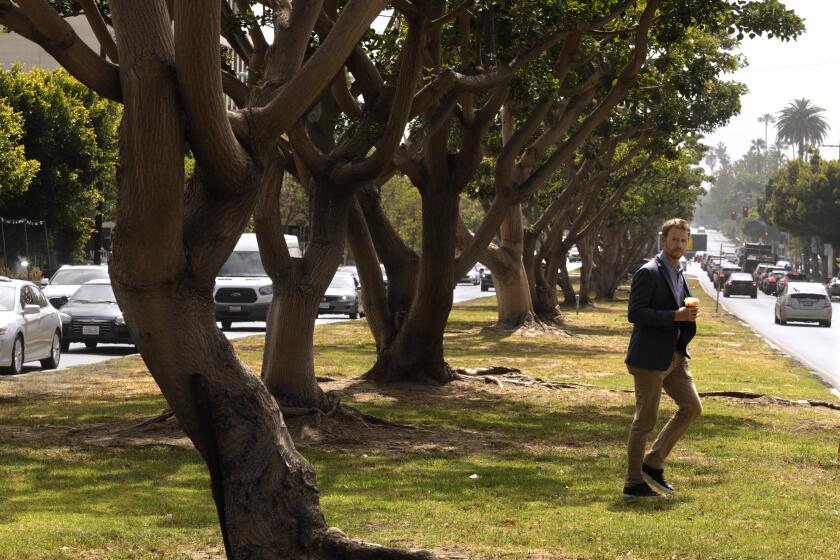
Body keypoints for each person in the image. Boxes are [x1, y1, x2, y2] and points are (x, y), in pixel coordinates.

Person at [622, 218, 703, 499]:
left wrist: (686, 316)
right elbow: (636, 313)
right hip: (648, 358)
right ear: (663, 240)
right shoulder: (648, 272)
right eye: (674, 240)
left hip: (675, 357)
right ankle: (633, 483)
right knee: (645, 421)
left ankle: (653, 463)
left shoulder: (679, 272)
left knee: (692, 408)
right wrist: (674, 316)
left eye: (683, 240)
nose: (679, 245)